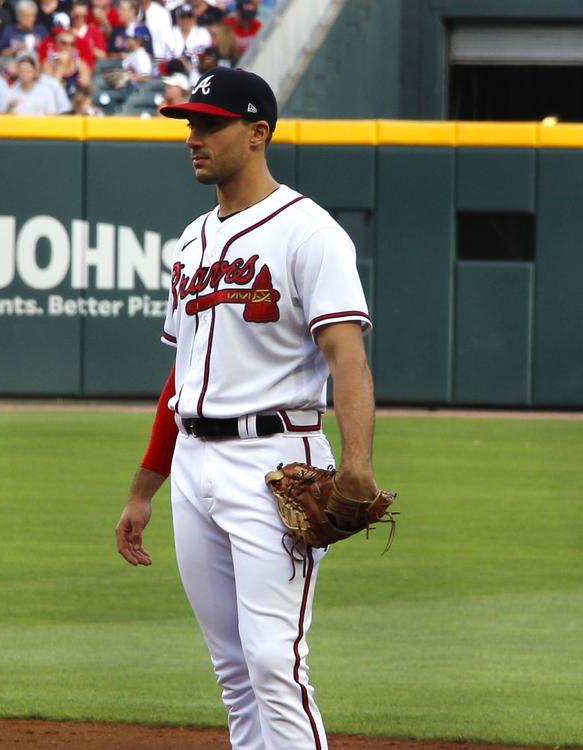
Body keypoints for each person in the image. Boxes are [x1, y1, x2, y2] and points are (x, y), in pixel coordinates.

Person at [115, 67, 381, 750]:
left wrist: (356, 464)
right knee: (234, 671)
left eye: (210, 124)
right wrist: (146, 489)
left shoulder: (308, 231)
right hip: (194, 465)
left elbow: (345, 358)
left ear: (257, 132)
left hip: (274, 459)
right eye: (189, 124)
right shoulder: (192, 239)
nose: (193, 137)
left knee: (273, 663)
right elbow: (179, 382)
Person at [66, 0, 104, 68]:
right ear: (71, 14)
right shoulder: (66, 33)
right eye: (76, 16)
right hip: (71, 69)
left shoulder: (94, 31)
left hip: (90, 69)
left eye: (84, 16)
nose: (80, 19)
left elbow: (103, 56)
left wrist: (86, 45)